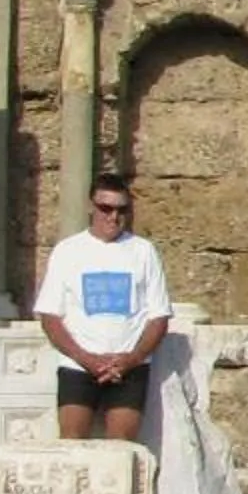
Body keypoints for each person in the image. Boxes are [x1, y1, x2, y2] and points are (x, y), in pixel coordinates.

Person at [34, 173, 171, 442]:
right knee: (72, 441)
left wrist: (130, 359)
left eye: (121, 210)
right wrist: (86, 358)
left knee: (122, 447)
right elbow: (50, 316)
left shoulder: (143, 251)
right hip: (78, 364)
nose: (113, 217)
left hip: (129, 367)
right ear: (91, 207)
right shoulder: (68, 250)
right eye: (105, 208)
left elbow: (159, 317)